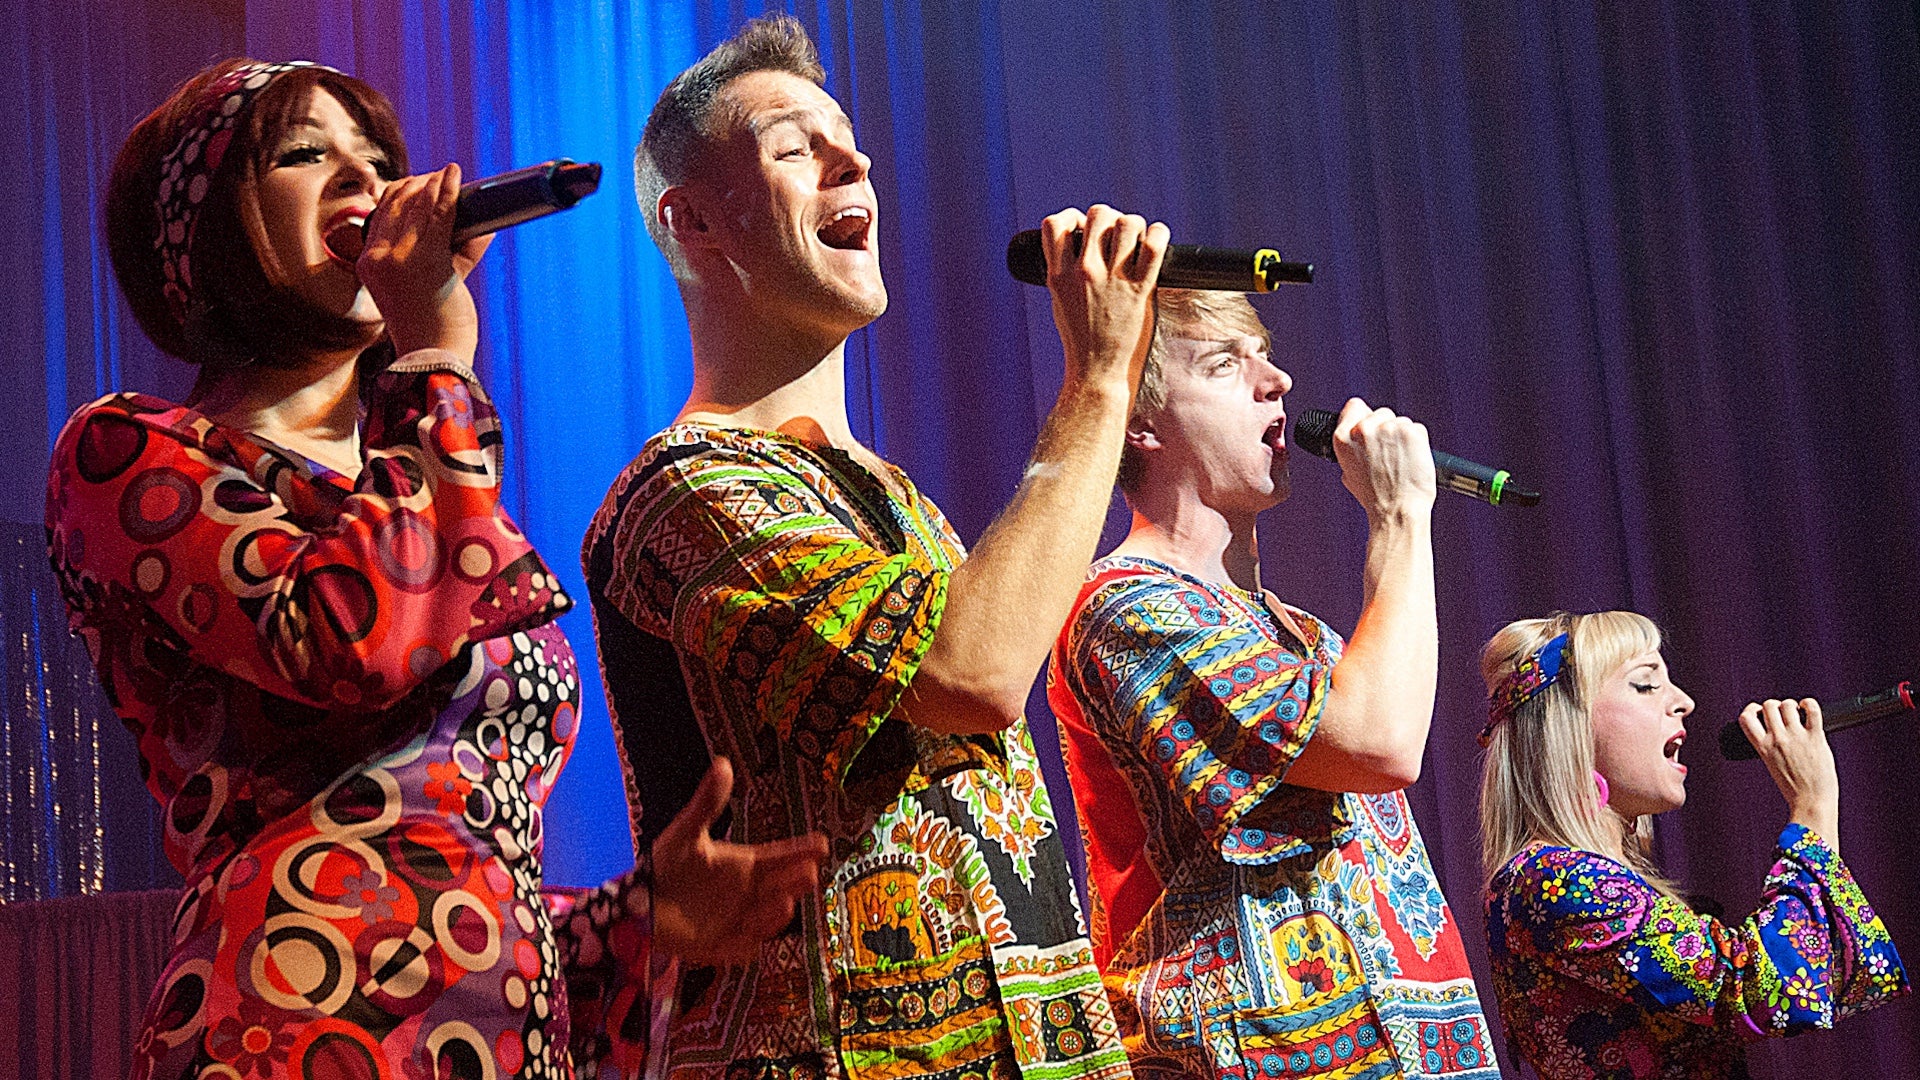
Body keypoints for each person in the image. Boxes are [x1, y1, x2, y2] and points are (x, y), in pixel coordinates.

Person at [49, 58, 824, 1079]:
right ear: (198, 232)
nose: (363, 181)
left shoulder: (415, 469)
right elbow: (349, 641)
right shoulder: (129, 452)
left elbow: (451, 870)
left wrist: (644, 919)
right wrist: (432, 363)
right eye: (304, 152)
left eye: (377, 158)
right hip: (286, 1026)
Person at [582, 14, 1162, 1080]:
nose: (854, 160)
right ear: (695, 220)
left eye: (850, 138)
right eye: (797, 146)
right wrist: (1098, 378)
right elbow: (972, 672)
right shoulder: (687, 490)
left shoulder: (899, 498)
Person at [1046, 289, 1500, 1078]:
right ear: (1141, 422)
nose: (1277, 380)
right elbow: (1380, 743)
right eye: (1226, 364)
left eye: (1266, 355)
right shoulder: (1125, 606)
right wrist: (1399, 518)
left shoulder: (1309, 638)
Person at [1478, 611, 1909, 1078]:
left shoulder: (1562, 877)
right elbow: (1771, 990)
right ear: (1570, 726)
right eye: (1646, 685)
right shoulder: (1553, 879)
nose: (1683, 702)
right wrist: (1812, 803)